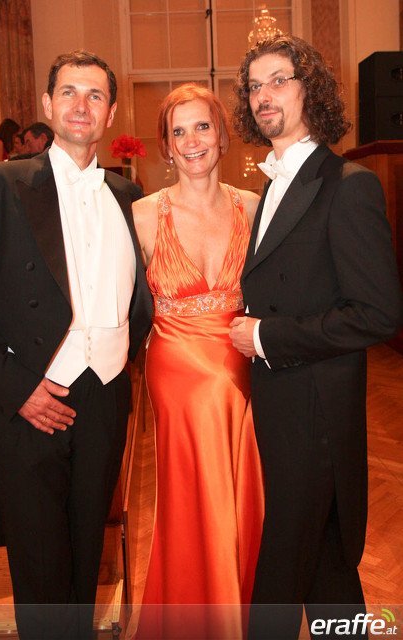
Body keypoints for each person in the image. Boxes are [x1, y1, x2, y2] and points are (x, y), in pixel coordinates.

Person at [0, 50, 152, 640]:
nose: (81, 105)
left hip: (103, 397)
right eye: (68, 93)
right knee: (39, 566)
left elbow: (142, 300)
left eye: (94, 95)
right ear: (46, 104)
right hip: (29, 399)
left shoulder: (128, 194)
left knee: (87, 554)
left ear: (111, 112)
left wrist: (118, 363)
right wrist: (17, 389)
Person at [229, 34, 402, 639]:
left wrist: (267, 337)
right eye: (255, 86)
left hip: (316, 410)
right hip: (282, 405)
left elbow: (377, 314)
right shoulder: (271, 185)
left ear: (312, 91)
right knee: (326, 561)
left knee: (282, 565)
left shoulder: (348, 184)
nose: (264, 96)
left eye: (280, 80)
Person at [132, 83, 264, 639]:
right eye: (178, 131)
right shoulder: (142, 214)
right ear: (166, 145)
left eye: (202, 126)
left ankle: (240, 608)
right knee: (193, 493)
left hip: (244, 364)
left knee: (246, 488)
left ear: (222, 135)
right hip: (177, 370)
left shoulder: (253, 206)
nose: (191, 141)